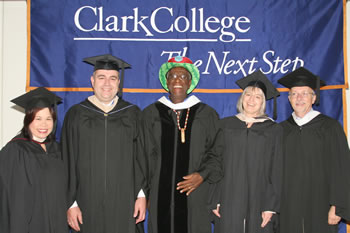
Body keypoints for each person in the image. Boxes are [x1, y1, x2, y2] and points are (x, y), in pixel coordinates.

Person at [61, 54, 147, 233]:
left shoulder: (132, 114)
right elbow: (67, 159)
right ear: (92, 81)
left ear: (118, 82)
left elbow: (142, 157)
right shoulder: (76, 114)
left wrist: (141, 194)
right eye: (101, 77)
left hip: (125, 201)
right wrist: (71, 202)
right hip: (86, 202)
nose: (107, 83)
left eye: (112, 78)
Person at [142, 56, 223, 233]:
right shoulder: (150, 114)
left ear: (190, 82)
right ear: (166, 81)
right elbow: (143, 157)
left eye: (183, 77)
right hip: (159, 195)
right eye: (172, 76)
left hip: (195, 196)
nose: (177, 80)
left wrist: (202, 175)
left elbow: (218, 152)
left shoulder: (207, 114)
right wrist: (145, 193)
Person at [278, 67, 350, 233]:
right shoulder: (281, 130)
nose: (299, 98)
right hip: (288, 208)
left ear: (314, 98)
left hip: (322, 206)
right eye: (294, 93)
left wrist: (337, 206)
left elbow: (342, 168)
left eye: (305, 93)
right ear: (289, 99)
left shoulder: (330, 127)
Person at [210, 71, 283, 233]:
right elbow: (216, 162)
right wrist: (215, 198)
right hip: (228, 196)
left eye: (257, 97)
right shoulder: (225, 125)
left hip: (260, 197)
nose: (251, 100)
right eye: (248, 94)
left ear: (263, 102)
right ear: (242, 98)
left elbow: (276, 168)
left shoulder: (273, 130)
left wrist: (270, 206)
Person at [0, 87, 67, 233]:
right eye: (38, 119)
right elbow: (12, 198)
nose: (44, 124)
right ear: (28, 120)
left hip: (57, 223)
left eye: (48, 119)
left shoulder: (57, 149)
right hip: (29, 224)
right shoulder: (15, 150)